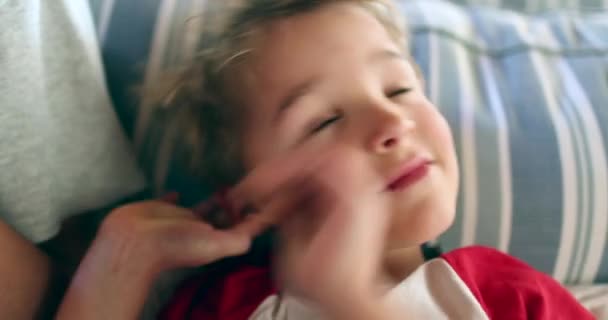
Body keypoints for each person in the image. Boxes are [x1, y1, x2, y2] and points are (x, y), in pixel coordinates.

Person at [138, 0, 592, 319]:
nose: (390, 121)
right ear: (246, 200)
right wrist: (115, 269)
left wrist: (351, 302)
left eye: (399, 89)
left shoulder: (508, 296)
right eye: (322, 122)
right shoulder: (223, 306)